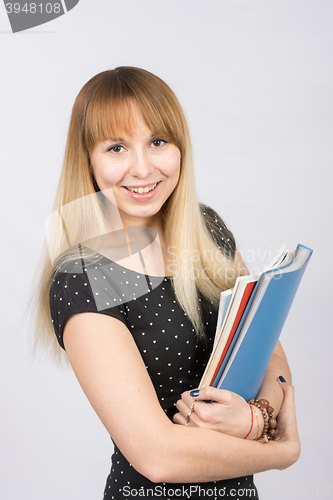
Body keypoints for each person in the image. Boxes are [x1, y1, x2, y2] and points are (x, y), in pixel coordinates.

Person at [34, 66, 300, 499]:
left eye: (157, 142)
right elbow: (159, 459)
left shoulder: (206, 228)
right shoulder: (81, 280)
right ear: (88, 159)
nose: (142, 168)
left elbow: (270, 351)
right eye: (116, 147)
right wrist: (282, 449)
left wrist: (255, 419)